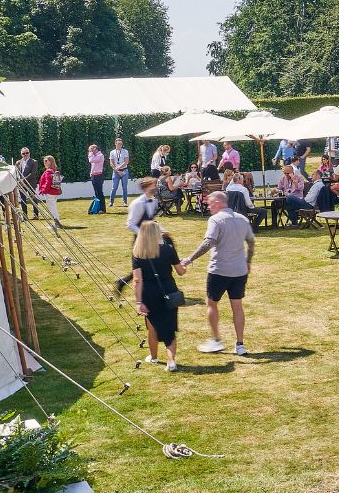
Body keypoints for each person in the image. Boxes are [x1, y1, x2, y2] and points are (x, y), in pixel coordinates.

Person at [178, 191, 255, 355]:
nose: (208, 206)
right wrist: (248, 262)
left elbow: (208, 242)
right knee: (237, 306)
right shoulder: (242, 219)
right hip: (239, 270)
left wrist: (190, 259)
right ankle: (240, 344)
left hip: (219, 270)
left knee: (212, 304)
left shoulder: (216, 220)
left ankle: (216, 340)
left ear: (219, 203)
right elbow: (251, 242)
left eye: (210, 203)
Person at [131, 218, 185, 372]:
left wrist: (139, 301)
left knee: (152, 326)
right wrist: (184, 264)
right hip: (169, 290)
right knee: (170, 326)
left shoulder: (138, 253)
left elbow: (137, 280)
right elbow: (180, 271)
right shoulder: (168, 249)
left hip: (149, 293)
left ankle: (154, 357)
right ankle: (171, 360)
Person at [36, 155, 64, 227]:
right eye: (44, 161)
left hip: (50, 192)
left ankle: (56, 223)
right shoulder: (54, 170)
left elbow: (48, 182)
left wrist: (43, 190)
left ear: (51, 162)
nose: (44, 162)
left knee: (52, 208)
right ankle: (56, 222)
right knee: (53, 207)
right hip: (55, 192)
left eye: (46, 161)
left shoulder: (48, 171)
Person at [108, 137, 132, 206]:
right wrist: (117, 170)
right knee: (114, 187)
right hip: (116, 172)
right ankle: (111, 202)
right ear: (115, 144)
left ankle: (125, 202)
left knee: (124, 188)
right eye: (118, 144)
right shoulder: (112, 152)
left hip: (124, 171)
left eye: (121, 144)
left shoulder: (125, 151)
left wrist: (119, 167)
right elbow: (111, 163)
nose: (120, 145)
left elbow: (126, 161)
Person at [86, 143, 108, 212]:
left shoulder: (100, 155)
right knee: (96, 193)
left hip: (99, 176)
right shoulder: (94, 155)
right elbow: (93, 165)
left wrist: (90, 153)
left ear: (95, 149)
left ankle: (102, 209)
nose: (90, 151)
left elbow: (91, 160)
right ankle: (98, 208)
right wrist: (91, 173)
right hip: (93, 176)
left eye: (91, 149)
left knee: (100, 192)